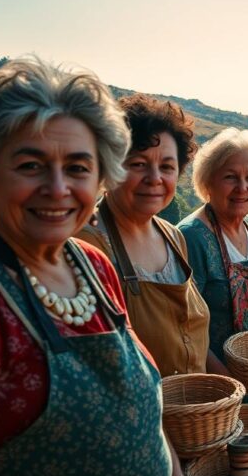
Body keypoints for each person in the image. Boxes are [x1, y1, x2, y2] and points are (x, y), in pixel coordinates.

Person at [0, 60, 177, 476]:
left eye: (78, 168)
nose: (57, 188)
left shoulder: (94, 266)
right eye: (31, 165)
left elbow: (143, 408)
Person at [75, 93, 213, 377]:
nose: (155, 178)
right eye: (138, 163)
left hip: (197, 405)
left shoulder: (173, 237)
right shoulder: (87, 245)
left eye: (167, 167)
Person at [178, 128, 248, 365]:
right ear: (208, 182)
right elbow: (185, 327)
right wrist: (229, 379)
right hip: (220, 378)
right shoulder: (192, 237)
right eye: (230, 177)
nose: (242, 188)